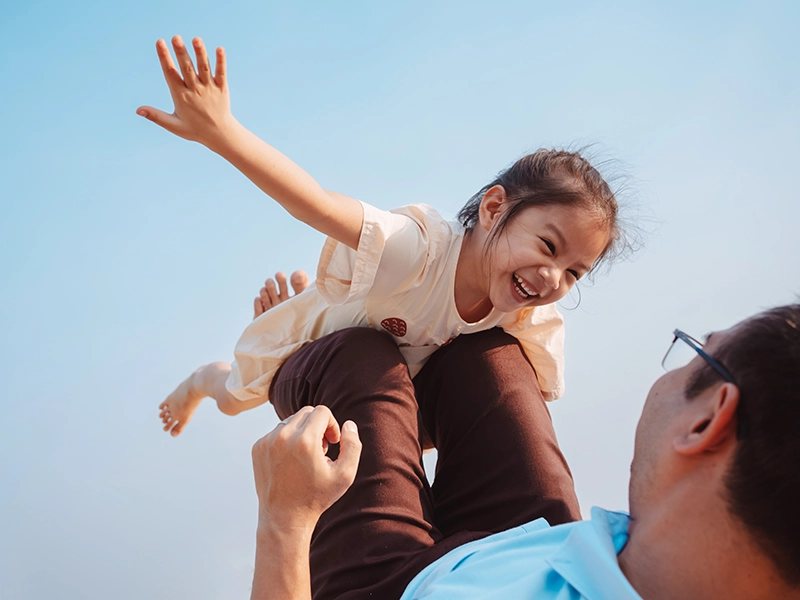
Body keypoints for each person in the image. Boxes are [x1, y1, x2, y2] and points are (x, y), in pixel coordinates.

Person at [137, 36, 628, 437]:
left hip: (388, 383)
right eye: (548, 247)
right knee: (235, 399)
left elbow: (526, 399)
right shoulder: (419, 251)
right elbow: (315, 203)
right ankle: (203, 377)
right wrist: (222, 132)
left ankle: (315, 299)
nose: (554, 278)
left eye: (574, 272)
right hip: (309, 347)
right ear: (494, 208)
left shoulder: (528, 312)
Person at [249, 304, 800, 599]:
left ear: (707, 420)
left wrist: (285, 523)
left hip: (390, 586)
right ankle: (393, 400)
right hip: (553, 544)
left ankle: (294, 355)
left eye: (696, 352)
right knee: (485, 352)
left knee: (354, 354)